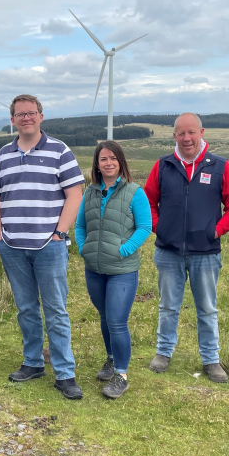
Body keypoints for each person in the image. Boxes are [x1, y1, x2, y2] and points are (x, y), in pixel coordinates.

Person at [0, 94, 86, 400]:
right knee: (26, 308)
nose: (26, 118)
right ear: (12, 119)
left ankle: (65, 373)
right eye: (20, 114)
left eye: (31, 113)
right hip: (12, 245)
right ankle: (32, 362)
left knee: (55, 309)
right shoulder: (3, 155)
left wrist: (60, 233)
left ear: (41, 116)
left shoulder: (60, 151)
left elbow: (75, 194)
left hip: (49, 245)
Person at [143, 113, 229, 383]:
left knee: (207, 308)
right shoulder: (162, 166)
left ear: (201, 132)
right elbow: (147, 202)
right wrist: (159, 226)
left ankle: (211, 360)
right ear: (174, 136)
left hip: (206, 253)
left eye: (191, 133)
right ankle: (163, 353)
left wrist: (216, 231)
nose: (186, 138)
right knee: (167, 306)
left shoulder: (220, 166)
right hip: (168, 251)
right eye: (180, 133)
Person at [75, 141, 151, 399]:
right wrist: (83, 248)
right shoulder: (90, 193)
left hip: (122, 269)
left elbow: (144, 227)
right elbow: (80, 226)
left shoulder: (134, 192)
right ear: (97, 164)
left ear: (121, 161)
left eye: (112, 158)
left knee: (117, 321)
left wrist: (123, 251)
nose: (108, 163)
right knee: (105, 317)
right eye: (102, 159)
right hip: (94, 268)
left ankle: (121, 374)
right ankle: (110, 358)